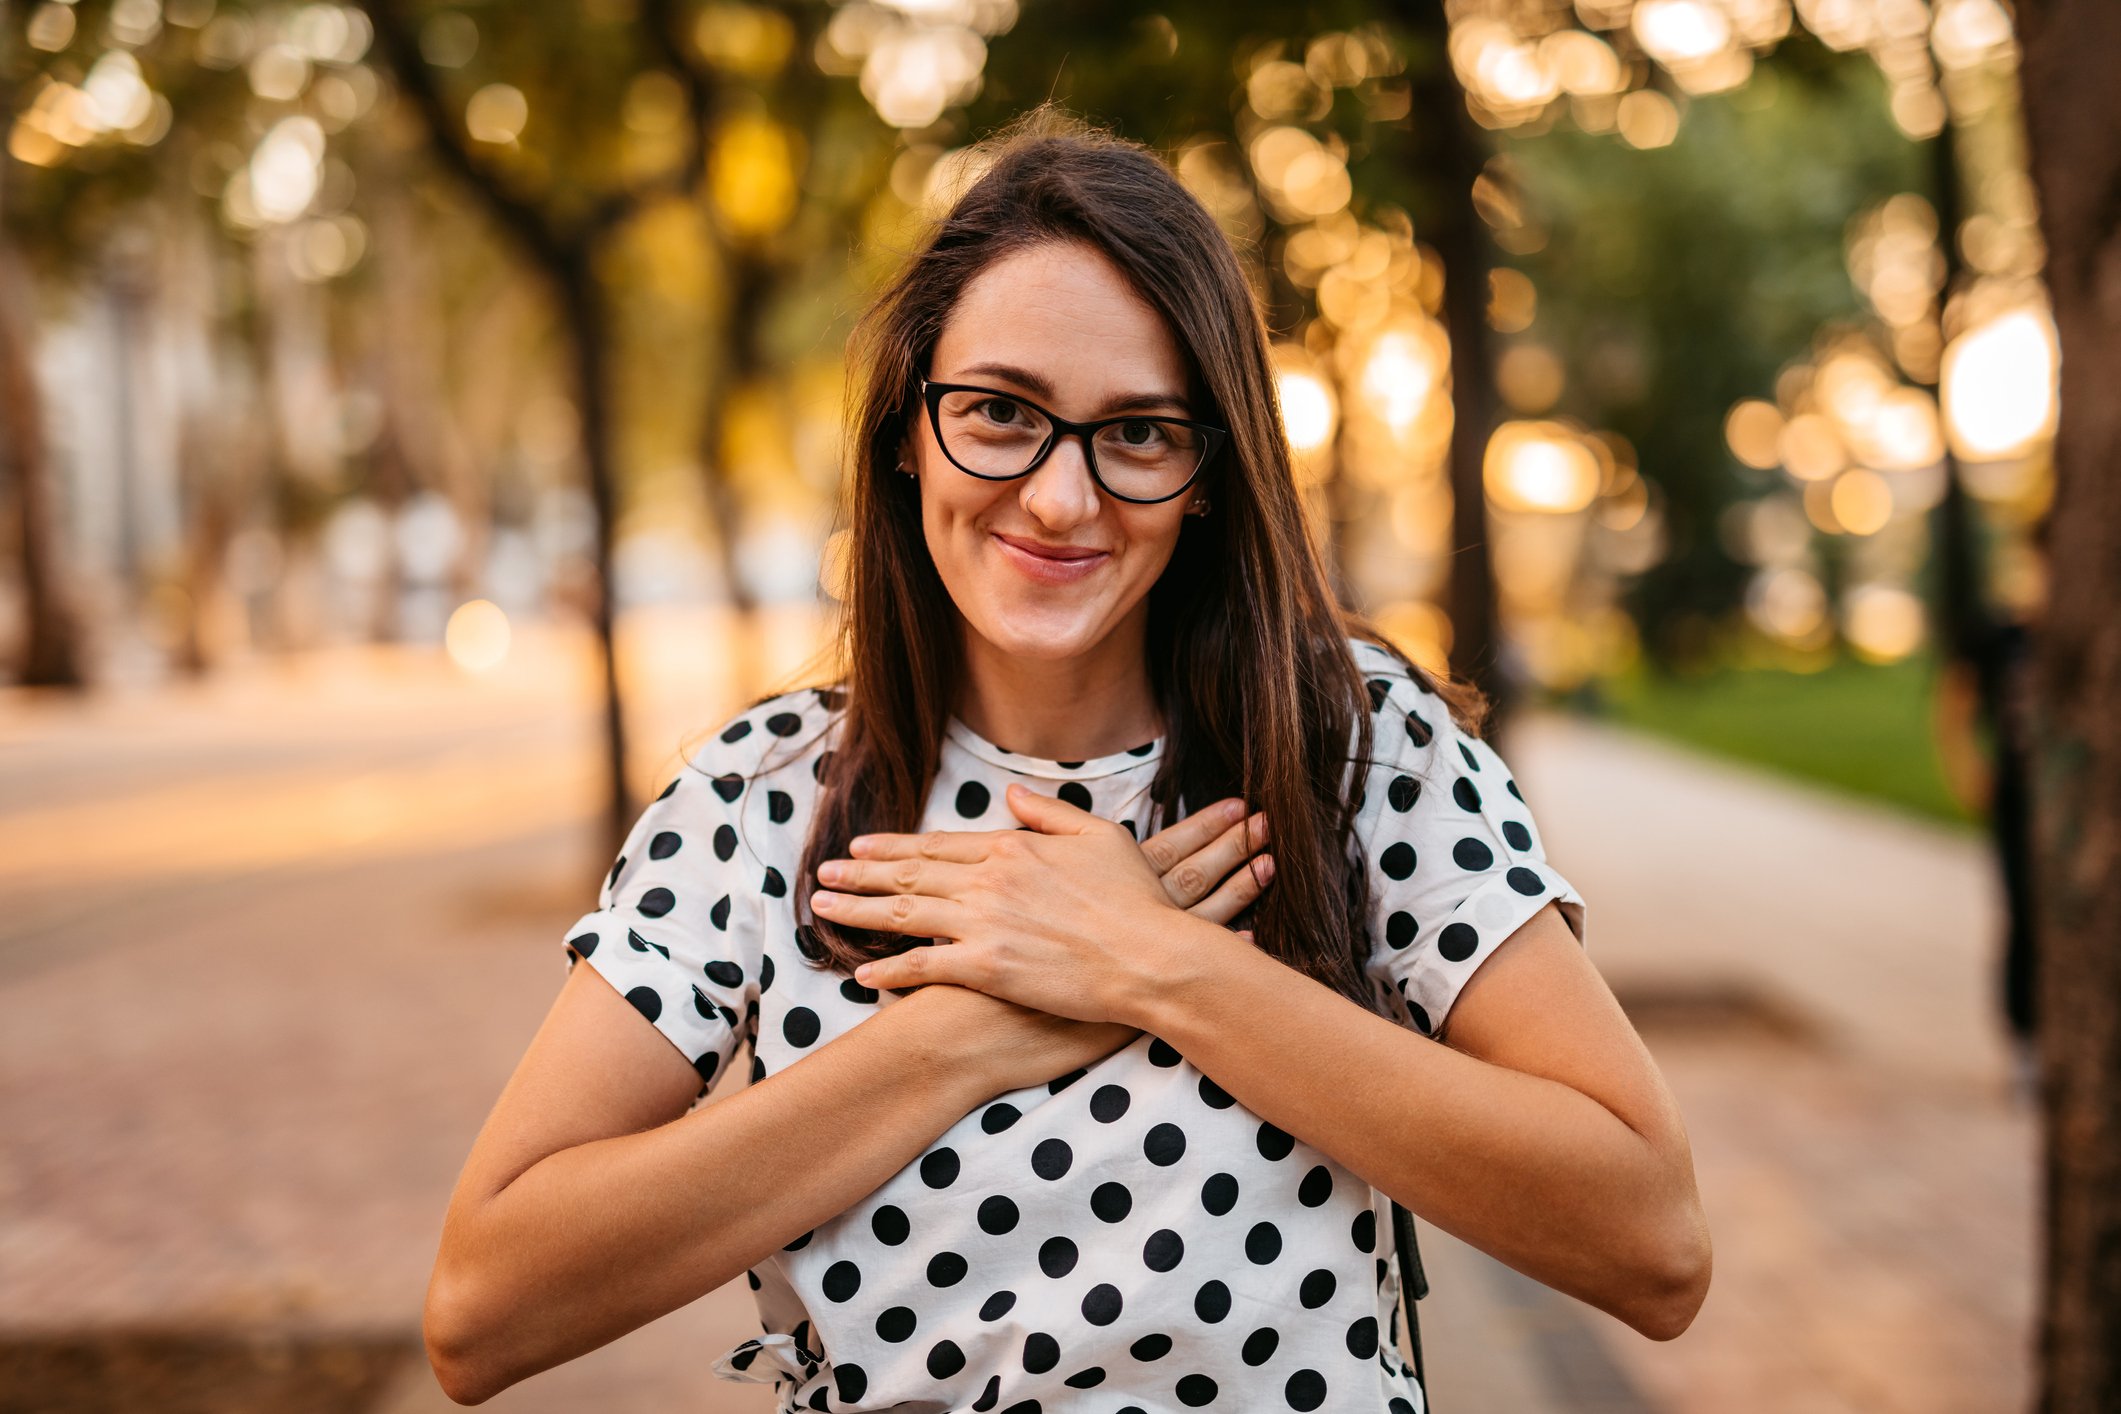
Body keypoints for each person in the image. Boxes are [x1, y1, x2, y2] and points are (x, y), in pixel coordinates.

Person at [420, 106, 1711, 1412]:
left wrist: (1160, 965)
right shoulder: (759, 799)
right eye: (998, 412)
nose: (1058, 497)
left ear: (1209, 470)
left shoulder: (1355, 745)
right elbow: (479, 1311)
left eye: (1138, 431)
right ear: (908, 432)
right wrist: (963, 1042)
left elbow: (1653, 1242)